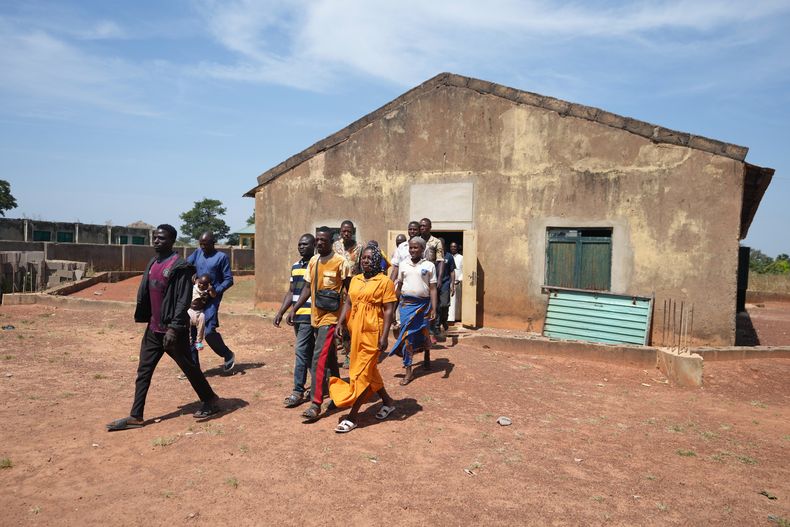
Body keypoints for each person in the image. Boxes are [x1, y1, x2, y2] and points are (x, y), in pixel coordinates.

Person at [106, 224, 220, 431]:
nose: (157, 241)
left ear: (172, 241)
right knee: (144, 371)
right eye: (155, 237)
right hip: (153, 329)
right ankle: (136, 416)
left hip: (171, 331)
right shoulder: (153, 262)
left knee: (188, 366)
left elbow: (182, 300)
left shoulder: (180, 267)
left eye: (162, 238)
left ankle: (210, 399)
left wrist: (174, 328)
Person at [329, 244, 398, 433]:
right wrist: (340, 323)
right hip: (356, 332)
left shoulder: (385, 282)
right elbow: (349, 302)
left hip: (373, 334)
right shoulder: (356, 280)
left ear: (376, 260)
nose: (365, 261)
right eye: (363, 258)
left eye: (369, 258)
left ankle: (353, 416)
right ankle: (388, 402)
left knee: (362, 374)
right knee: (370, 371)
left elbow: (389, 310)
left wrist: (384, 337)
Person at [289, 227, 351, 422]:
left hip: (332, 318)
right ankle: (339, 393)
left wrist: (345, 319)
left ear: (332, 241)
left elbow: (350, 292)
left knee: (318, 358)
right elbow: (307, 287)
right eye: (318, 240)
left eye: (324, 240)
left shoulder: (341, 262)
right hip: (315, 316)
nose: (320, 243)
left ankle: (315, 404)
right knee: (330, 358)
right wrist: (295, 308)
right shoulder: (314, 261)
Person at [273, 234, 316, 408]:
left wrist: (294, 310)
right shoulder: (296, 266)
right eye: (299, 244)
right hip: (297, 315)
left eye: (305, 244)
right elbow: (291, 291)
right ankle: (320, 385)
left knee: (300, 351)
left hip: (309, 315)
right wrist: (280, 312)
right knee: (308, 353)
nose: (301, 247)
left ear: (313, 245)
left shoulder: (316, 265)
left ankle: (298, 391)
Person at [388, 236, 437, 385]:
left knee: (424, 332)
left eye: (416, 247)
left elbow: (433, 289)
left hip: (424, 305)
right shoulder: (403, 265)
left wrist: (434, 308)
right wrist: (393, 306)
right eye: (411, 247)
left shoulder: (429, 266)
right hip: (407, 306)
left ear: (422, 249)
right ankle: (409, 371)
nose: (413, 250)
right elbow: (400, 286)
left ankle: (426, 355)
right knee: (407, 337)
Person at [187, 232, 236, 373]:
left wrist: (216, 290)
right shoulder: (197, 253)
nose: (203, 247)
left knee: (208, 332)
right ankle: (193, 368)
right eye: (201, 244)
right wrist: (192, 273)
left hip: (211, 300)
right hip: (195, 300)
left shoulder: (221, 258)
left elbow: (229, 279)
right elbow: (186, 265)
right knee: (191, 331)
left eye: (206, 244)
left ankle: (227, 354)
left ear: (213, 242)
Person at [332, 220, 360, 367]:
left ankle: (351, 355)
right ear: (340, 231)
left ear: (353, 231)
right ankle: (339, 354)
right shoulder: (335, 247)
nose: (346, 233)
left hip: (353, 290)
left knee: (351, 323)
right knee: (338, 323)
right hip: (338, 290)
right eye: (344, 231)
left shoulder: (359, 248)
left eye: (349, 231)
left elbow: (362, 268)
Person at [419, 218, 444, 343]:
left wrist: (439, 278)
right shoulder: (416, 240)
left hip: (431, 275)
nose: (422, 228)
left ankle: (432, 330)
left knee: (434, 304)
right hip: (418, 276)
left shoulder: (436, 242)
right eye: (421, 226)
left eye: (425, 226)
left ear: (430, 227)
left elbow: (440, 261)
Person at [188, 274, 217, 358]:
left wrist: (211, 289)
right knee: (188, 325)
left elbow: (214, 295)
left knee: (202, 324)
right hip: (191, 311)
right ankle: (189, 340)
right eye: (200, 283)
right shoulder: (194, 287)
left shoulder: (207, 291)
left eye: (204, 284)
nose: (201, 285)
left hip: (200, 312)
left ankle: (198, 341)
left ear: (208, 285)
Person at [436, 241, 457, 336]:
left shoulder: (449, 256)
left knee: (444, 304)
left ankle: (444, 320)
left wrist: (453, 285)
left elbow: (452, 271)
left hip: (445, 283)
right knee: (436, 306)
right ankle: (436, 325)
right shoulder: (434, 256)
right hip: (434, 284)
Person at [448, 242, 463, 323]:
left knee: (457, 301)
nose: (453, 248)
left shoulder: (461, 257)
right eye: (451, 247)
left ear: (457, 248)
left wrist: (460, 279)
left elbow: (464, 269)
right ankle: (449, 318)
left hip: (458, 282)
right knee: (450, 301)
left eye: (454, 247)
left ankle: (457, 317)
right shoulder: (448, 257)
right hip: (449, 282)